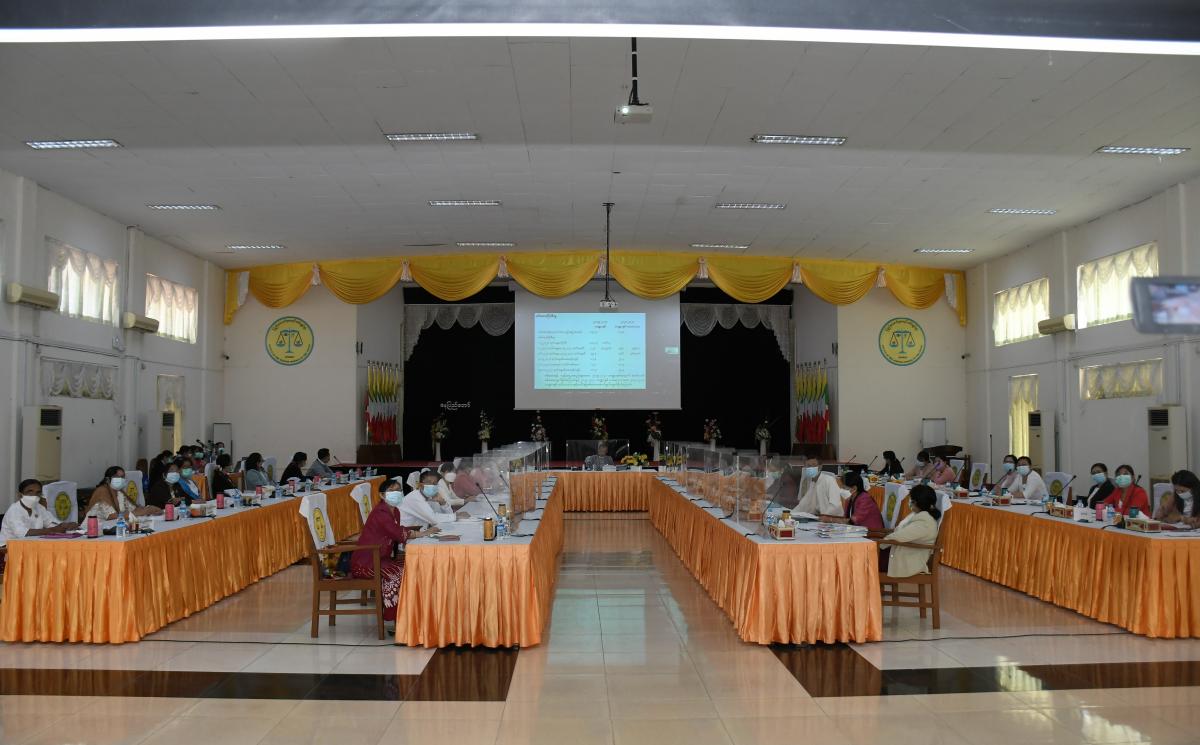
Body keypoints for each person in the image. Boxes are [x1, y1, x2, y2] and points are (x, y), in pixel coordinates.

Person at [351, 479, 441, 629]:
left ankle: (411, 612)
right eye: (391, 491)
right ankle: (393, 619)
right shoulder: (380, 513)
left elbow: (397, 532)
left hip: (383, 559)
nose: (396, 493)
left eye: (398, 490)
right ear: (382, 495)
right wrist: (422, 533)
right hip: (366, 562)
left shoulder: (395, 511)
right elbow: (397, 533)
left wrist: (416, 533)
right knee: (396, 574)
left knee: (413, 567)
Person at [881, 484, 941, 578]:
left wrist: (879, 545)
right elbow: (898, 532)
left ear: (916, 502)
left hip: (907, 561)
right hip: (901, 553)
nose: (910, 502)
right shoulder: (918, 515)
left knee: (865, 559)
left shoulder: (924, 522)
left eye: (911, 500)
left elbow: (898, 537)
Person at [1, 479, 78, 547]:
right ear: (20, 495)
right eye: (30, 492)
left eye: (38, 492)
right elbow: (22, 533)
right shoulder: (14, 510)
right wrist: (52, 530)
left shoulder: (39, 507)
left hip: (31, 545)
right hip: (8, 548)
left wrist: (67, 525)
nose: (34, 495)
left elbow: (52, 523)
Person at [83, 466, 161, 520]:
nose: (121, 479)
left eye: (122, 477)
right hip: (94, 528)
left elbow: (134, 509)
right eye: (117, 477)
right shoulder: (102, 491)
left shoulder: (119, 492)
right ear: (108, 480)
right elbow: (112, 516)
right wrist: (142, 512)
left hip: (113, 527)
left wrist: (149, 510)